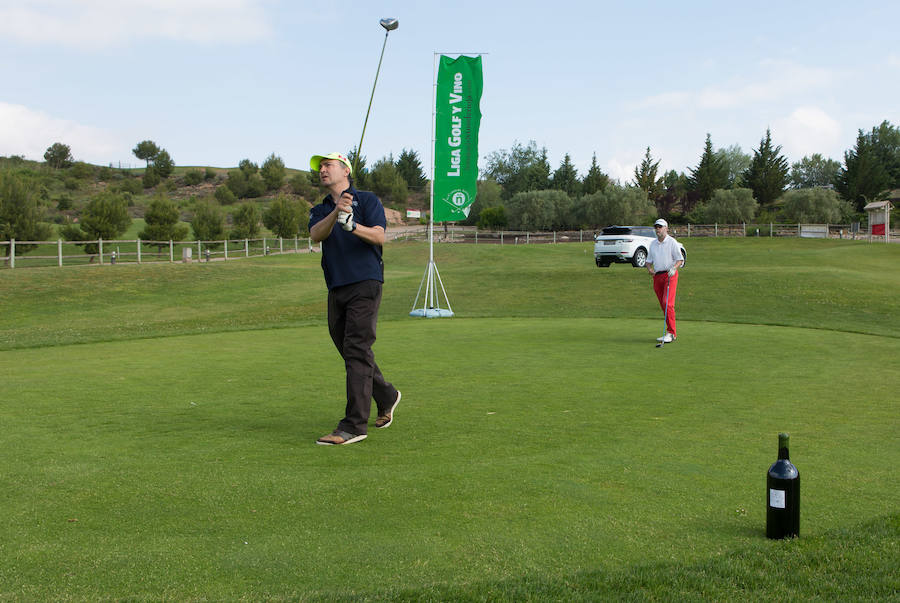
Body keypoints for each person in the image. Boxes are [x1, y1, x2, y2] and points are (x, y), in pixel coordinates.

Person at [308, 152, 401, 445]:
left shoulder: (368, 200)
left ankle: (353, 426)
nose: (322, 170)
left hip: (365, 281)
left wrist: (352, 225)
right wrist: (337, 213)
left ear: (346, 170)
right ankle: (387, 395)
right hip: (336, 286)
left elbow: (379, 236)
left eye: (328, 165)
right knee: (350, 349)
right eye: (320, 167)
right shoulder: (321, 208)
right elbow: (315, 235)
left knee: (357, 348)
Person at [645, 218, 684, 344]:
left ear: (666, 228)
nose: (658, 229)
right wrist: (650, 269)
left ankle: (672, 333)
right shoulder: (653, 244)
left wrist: (674, 268)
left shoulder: (672, 242)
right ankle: (669, 331)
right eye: (656, 227)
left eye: (660, 227)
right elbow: (648, 261)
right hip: (657, 276)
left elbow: (680, 259)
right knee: (663, 305)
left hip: (670, 274)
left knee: (667, 303)